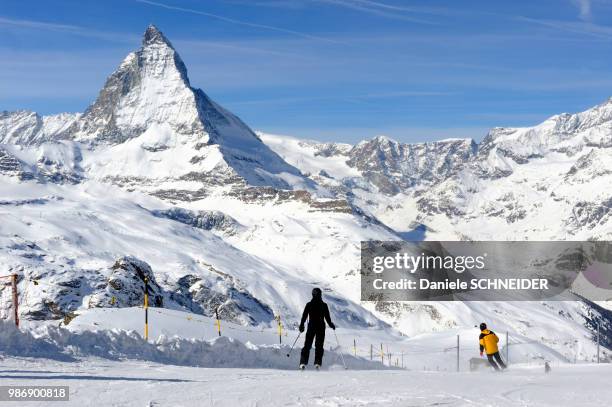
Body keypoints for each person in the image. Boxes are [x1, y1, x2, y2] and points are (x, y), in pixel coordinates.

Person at [299, 287, 335, 370]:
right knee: (319, 346)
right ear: (320, 294)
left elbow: (304, 316)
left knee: (307, 345)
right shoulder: (324, 305)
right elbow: (327, 318)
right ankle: (317, 363)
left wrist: (301, 325)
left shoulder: (309, 304)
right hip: (321, 327)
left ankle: (303, 362)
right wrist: (331, 325)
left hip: (311, 327)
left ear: (312, 294)